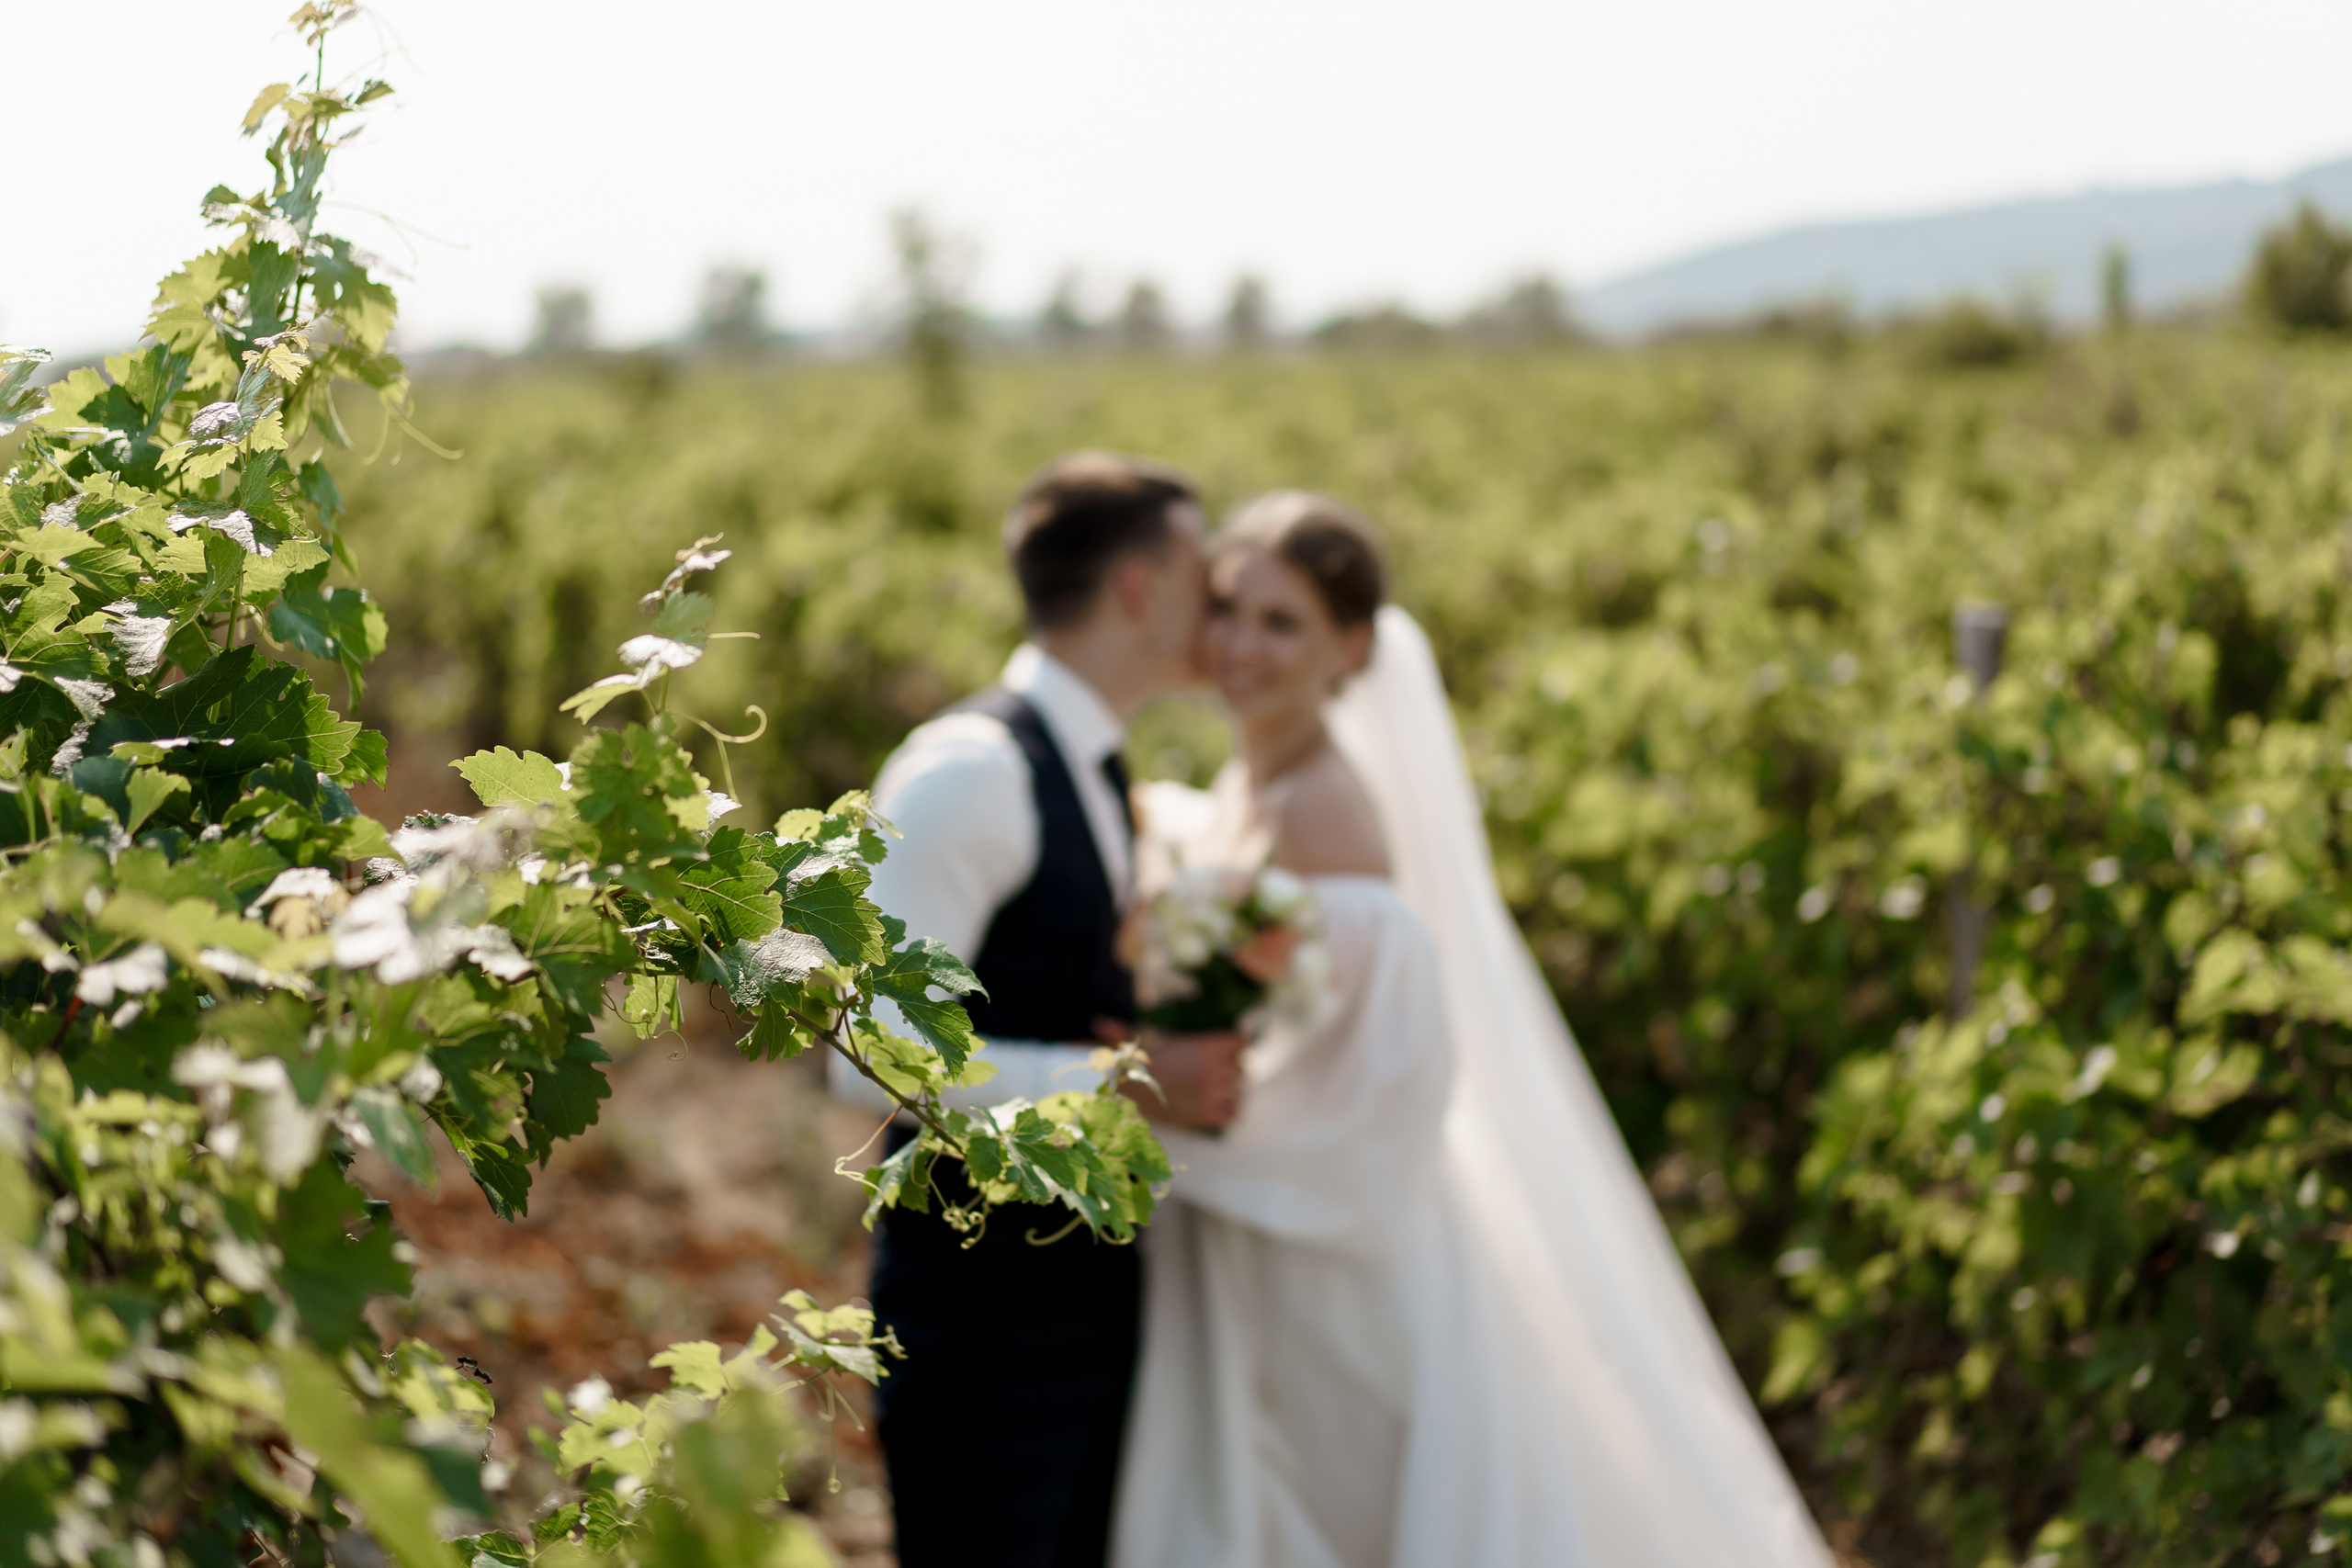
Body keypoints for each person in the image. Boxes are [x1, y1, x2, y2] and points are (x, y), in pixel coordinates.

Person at [1113, 492, 1836, 1568]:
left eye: (1282, 624)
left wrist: (1147, 1099)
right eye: (1228, 609)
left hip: (1326, 1227)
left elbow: (1345, 1070)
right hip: (1262, 1210)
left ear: (1350, 650)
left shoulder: (1326, 814)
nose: (1237, 645)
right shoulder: (1250, 778)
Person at [831, 451, 1249, 1568]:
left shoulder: (1102, 768)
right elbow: (867, 1052)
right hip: (980, 1321)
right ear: (1141, 587)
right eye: (1204, 566)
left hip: (1092, 1303)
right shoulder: (969, 772)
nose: (1223, 594)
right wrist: (1125, 1085)